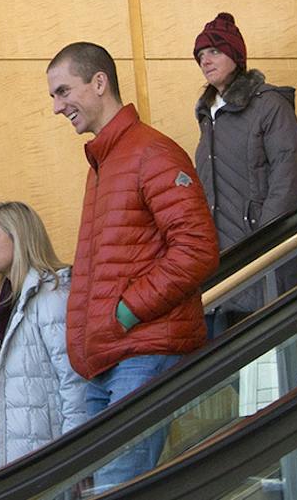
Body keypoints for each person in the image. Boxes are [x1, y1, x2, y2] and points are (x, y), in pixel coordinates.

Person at [47, 41, 218, 489]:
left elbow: (197, 247)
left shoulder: (151, 153)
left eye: (63, 92)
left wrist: (126, 310)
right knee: (94, 485)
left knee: (116, 486)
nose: (56, 107)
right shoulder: (104, 162)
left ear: (99, 82)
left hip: (142, 349)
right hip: (107, 357)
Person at [0, 201, 91, 470]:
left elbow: (75, 384)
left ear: (20, 238)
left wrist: (76, 457)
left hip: (50, 460)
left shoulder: (52, 297)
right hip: (22, 459)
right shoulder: (10, 303)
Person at [190, 13, 297, 337]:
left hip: (261, 257)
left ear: (236, 55)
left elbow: (288, 175)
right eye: (200, 55)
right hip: (221, 267)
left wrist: (262, 240)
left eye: (213, 51)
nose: (205, 60)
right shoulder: (209, 116)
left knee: (275, 355)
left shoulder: (269, 106)